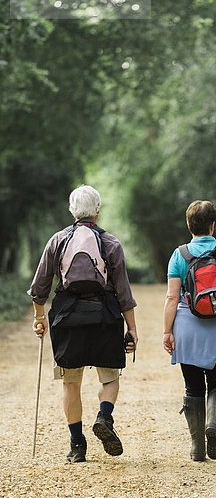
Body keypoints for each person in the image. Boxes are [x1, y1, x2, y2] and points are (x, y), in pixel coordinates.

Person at [28, 185, 138, 463]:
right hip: (105, 318)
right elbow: (124, 293)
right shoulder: (110, 243)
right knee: (110, 378)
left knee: (70, 384)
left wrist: (40, 317)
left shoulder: (57, 241)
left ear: (72, 210)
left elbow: (40, 287)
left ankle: (77, 445)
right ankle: (104, 416)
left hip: (68, 320)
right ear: (97, 211)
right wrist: (132, 329)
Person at [163, 200, 216, 462]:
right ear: (213, 224)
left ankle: (197, 447)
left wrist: (167, 331)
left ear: (189, 225)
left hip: (187, 325)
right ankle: (213, 422)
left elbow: (171, 297)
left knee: (193, 386)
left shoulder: (179, 254)